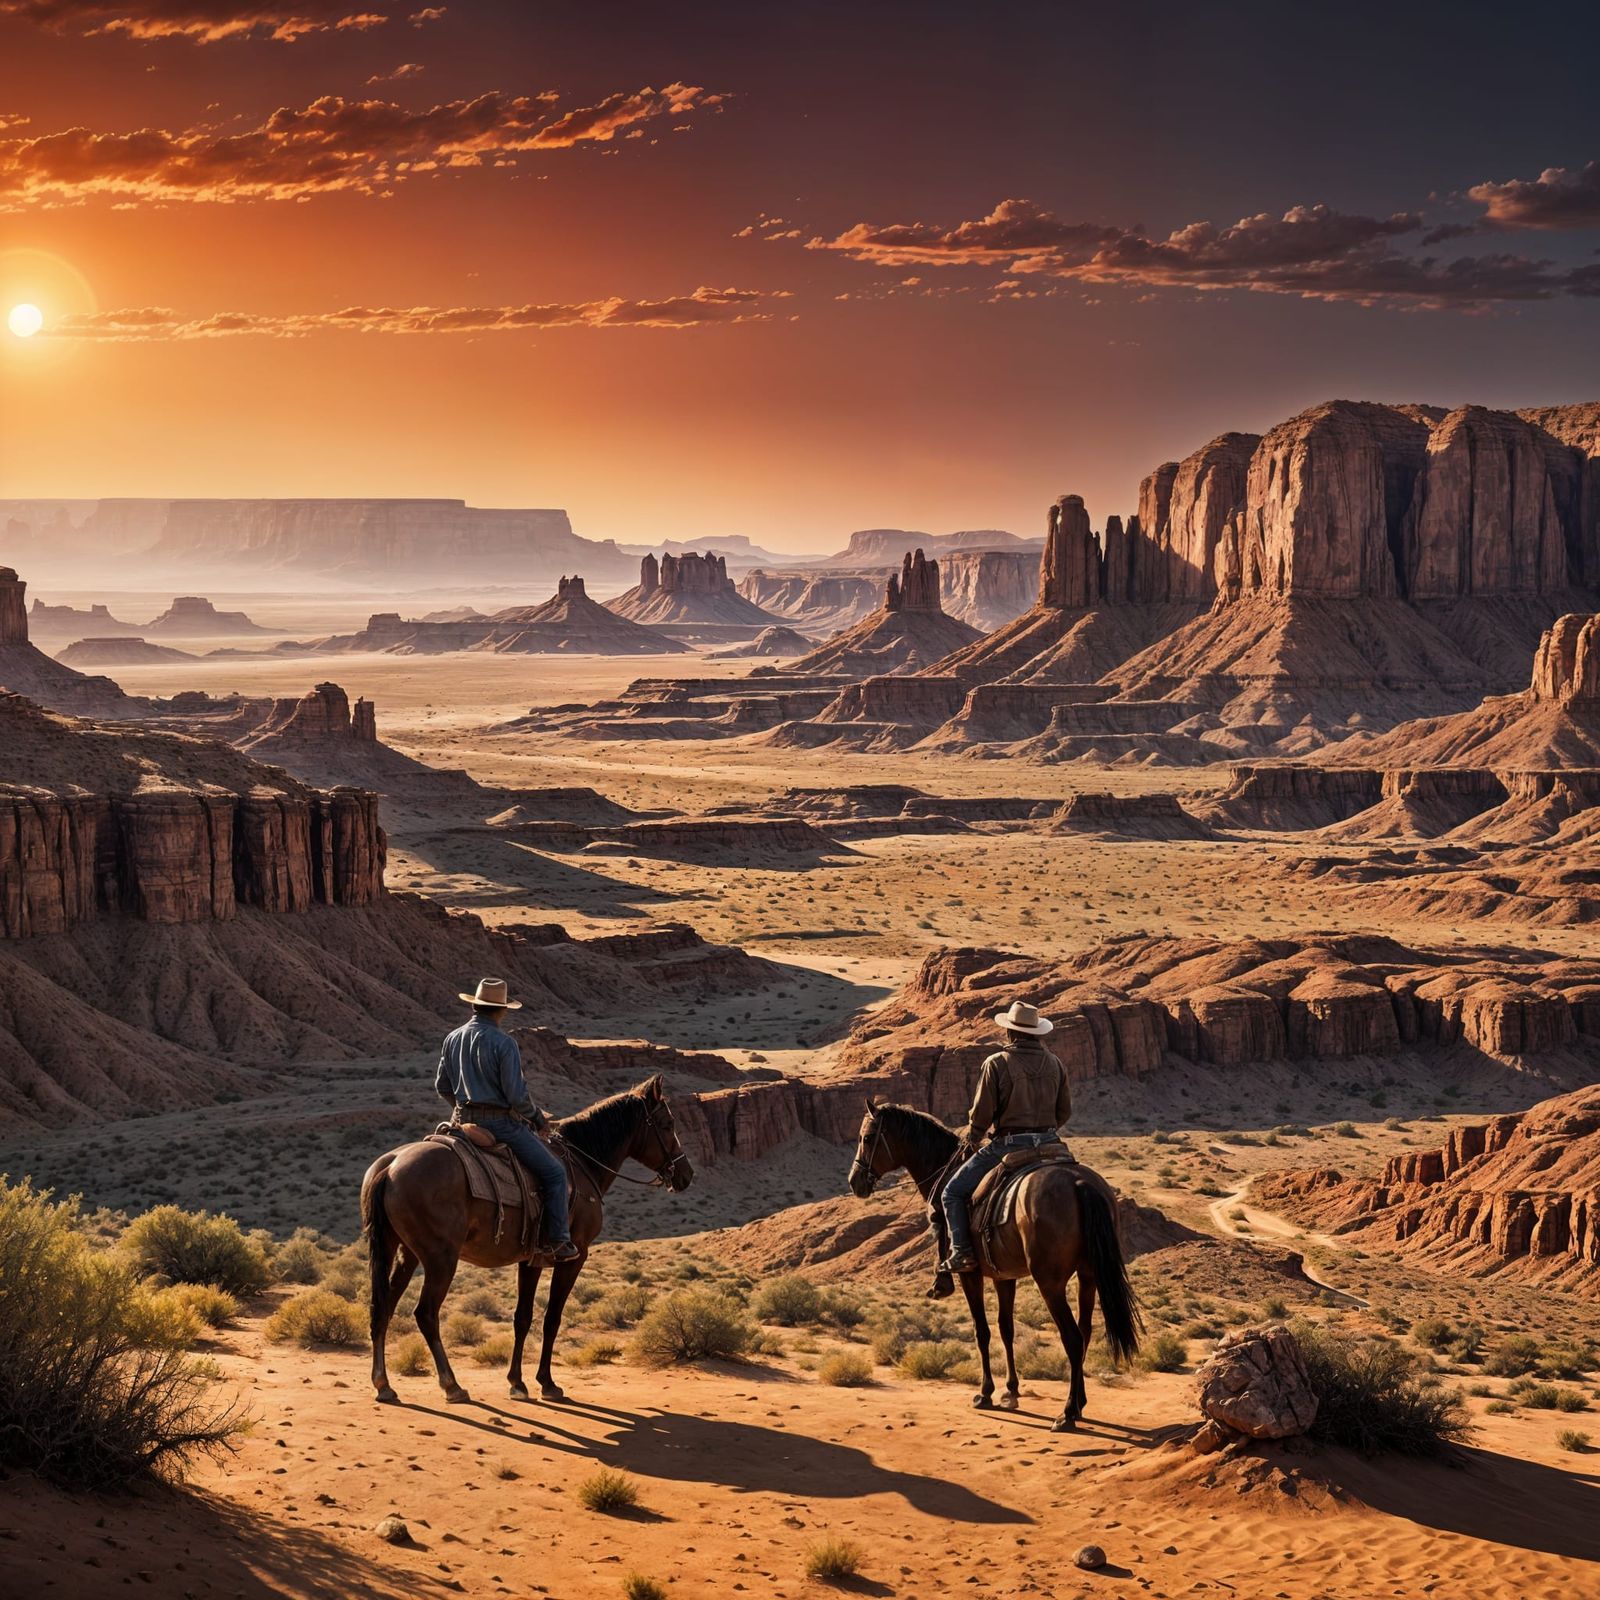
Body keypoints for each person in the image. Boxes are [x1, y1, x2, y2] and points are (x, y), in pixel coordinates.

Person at [435, 977, 580, 1262]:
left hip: (460, 1121)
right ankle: (558, 1242)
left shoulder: (452, 1038)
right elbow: (516, 1095)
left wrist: (462, 1109)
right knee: (555, 1173)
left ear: (476, 1006)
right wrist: (538, 1119)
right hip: (500, 1125)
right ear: (501, 1011)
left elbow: (442, 1086)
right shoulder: (504, 1043)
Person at [938, 1000, 1070, 1278]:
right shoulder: (1056, 1063)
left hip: (1008, 1146)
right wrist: (1044, 1132)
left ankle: (962, 1251)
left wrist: (973, 1138)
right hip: (1051, 1145)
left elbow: (982, 1113)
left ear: (1010, 1033)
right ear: (1036, 1032)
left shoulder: (996, 1063)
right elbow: (1064, 1112)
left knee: (952, 1192)